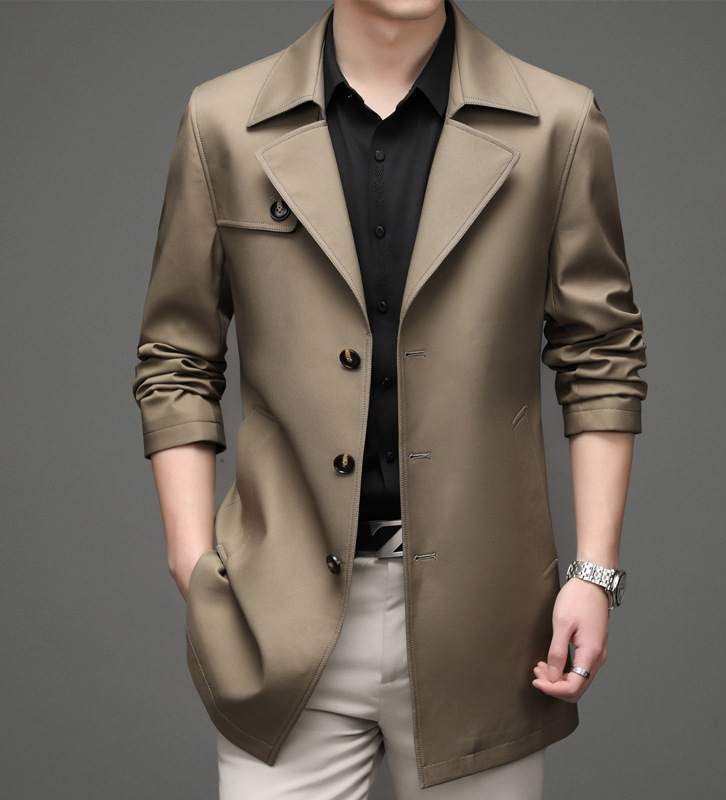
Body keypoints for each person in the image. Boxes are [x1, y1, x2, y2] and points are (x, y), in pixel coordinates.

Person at [133, 1, 646, 798]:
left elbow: (601, 353)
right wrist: (192, 556)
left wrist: (595, 572)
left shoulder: (558, 123)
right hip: (278, 620)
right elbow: (177, 352)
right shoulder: (223, 121)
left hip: (486, 630)